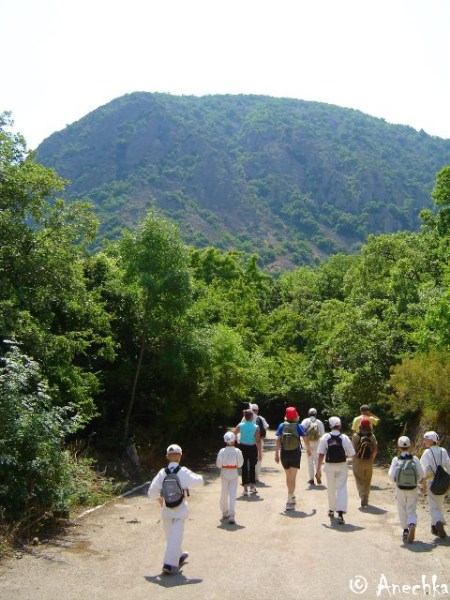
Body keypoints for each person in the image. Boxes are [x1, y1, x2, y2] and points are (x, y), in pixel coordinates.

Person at [147, 443, 204, 575]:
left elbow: (151, 492)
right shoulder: (183, 471)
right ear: (180, 456)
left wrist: (159, 499)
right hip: (180, 508)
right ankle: (169, 564)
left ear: (167, 457)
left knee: (170, 536)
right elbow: (199, 481)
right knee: (176, 535)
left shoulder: (162, 473)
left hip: (166, 508)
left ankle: (178, 556)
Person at [316, 416, 355, 524]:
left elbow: (321, 454)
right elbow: (352, 454)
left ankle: (331, 509)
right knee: (341, 488)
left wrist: (318, 469)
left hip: (329, 466)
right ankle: (341, 512)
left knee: (331, 488)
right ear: (340, 425)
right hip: (342, 465)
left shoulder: (325, 437)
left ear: (330, 426)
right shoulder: (344, 438)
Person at [388, 436, 424, 543]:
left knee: (401, 509)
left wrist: (397, 481)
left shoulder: (396, 459)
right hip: (413, 488)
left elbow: (391, 475)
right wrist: (415, 482)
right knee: (411, 508)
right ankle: (412, 523)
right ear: (410, 446)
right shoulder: (415, 459)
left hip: (400, 488)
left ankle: (405, 530)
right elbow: (421, 475)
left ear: (399, 447)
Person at [275, 406, 311, 511]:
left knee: (288, 476)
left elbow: (278, 440)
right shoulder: (298, 426)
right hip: (295, 453)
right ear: (296, 415)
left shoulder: (282, 425)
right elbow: (305, 438)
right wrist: (308, 449)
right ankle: (289, 500)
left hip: (284, 453)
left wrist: (276, 454)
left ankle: (291, 495)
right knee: (292, 477)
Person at [420, 431, 450, 539]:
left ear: (431, 440)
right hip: (443, 481)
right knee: (439, 505)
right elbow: (448, 466)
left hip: (431, 481)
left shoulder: (427, 452)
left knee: (433, 507)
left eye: (425, 439)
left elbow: (422, 469)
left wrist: (423, 483)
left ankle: (438, 522)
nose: (424, 441)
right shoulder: (443, 451)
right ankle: (434, 527)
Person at [216, 431, 244, 524]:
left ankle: (224, 512)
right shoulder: (237, 451)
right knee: (232, 493)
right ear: (234, 440)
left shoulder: (222, 451)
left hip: (224, 472)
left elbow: (218, 464)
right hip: (233, 473)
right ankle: (231, 514)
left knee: (224, 492)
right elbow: (240, 464)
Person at [234, 409, 262, 496]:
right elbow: (258, 440)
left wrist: (237, 440)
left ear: (245, 417)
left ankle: (245, 489)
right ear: (252, 417)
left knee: (244, 467)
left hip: (242, 447)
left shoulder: (240, 425)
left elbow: (233, 434)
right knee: (252, 466)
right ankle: (252, 487)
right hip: (252, 447)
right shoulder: (256, 427)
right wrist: (260, 452)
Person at [351, 417, 378, 507]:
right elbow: (375, 449)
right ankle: (366, 494)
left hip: (358, 461)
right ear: (369, 426)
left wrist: (354, 460)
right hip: (369, 461)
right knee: (367, 480)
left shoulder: (356, 436)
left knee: (359, 479)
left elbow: (353, 450)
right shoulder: (372, 436)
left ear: (360, 426)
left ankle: (362, 494)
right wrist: (371, 458)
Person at [241, 403, 269, 481]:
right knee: (258, 458)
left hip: (246, 441)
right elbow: (266, 427)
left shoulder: (245, 417)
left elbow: (240, 427)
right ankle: (255, 476)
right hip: (258, 440)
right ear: (257, 410)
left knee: (246, 459)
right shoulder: (260, 418)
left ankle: (247, 476)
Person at [301, 408, 325, 485]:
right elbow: (322, 433)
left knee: (310, 461)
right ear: (316, 414)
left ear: (308, 414)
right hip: (317, 442)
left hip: (308, 442)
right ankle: (318, 475)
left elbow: (301, 431)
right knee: (317, 461)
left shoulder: (305, 421)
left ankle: (311, 479)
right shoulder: (319, 422)